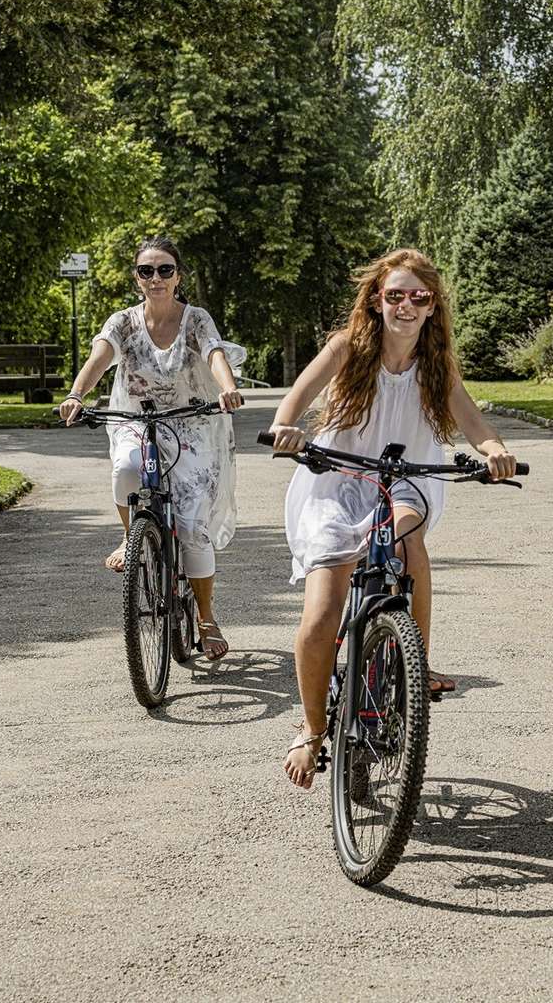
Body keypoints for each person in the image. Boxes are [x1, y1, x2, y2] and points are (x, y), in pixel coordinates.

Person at [265, 248, 517, 788]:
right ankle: (311, 730)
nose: (406, 305)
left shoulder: (436, 363)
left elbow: (473, 422)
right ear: (376, 301)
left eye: (418, 297)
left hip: (406, 479)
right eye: (395, 295)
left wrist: (495, 449)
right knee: (322, 612)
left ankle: (415, 661)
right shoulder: (347, 349)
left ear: (432, 307)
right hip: (336, 480)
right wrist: (287, 429)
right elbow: (294, 400)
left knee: (408, 543)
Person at [59, 237, 245, 660]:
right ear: (136, 278)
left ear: (178, 276)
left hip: (190, 424)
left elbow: (215, 354)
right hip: (137, 421)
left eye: (165, 270)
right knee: (126, 470)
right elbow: (99, 358)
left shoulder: (196, 319)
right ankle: (131, 536)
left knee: (194, 525)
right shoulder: (122, 323)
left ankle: (206, 616)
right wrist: (75, 394)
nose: (156, 278)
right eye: (147, 271)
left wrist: (228, 388)